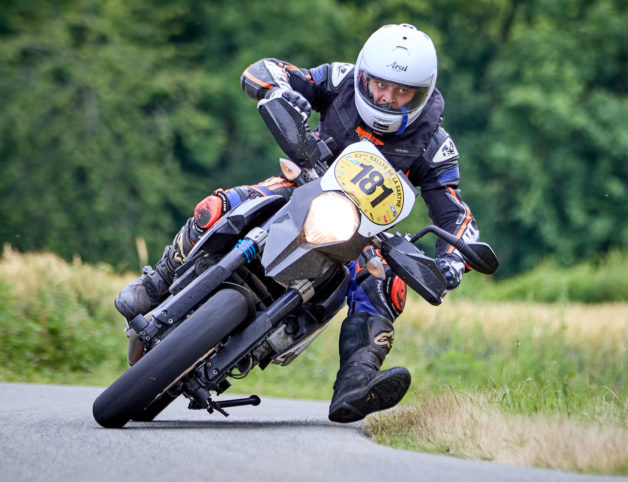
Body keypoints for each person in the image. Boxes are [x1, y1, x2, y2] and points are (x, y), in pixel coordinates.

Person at [115, 23, 480, 423]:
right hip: (300, 183)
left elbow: (455, 213)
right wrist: (278, 90)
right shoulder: (340, 80)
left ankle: (356, 383)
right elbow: (267, 69)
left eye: (402, 91)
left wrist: (452, 258)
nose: (386, 98)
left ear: (421, 93)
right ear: (363, 75)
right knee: (220, 206)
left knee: (385, 282)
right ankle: (155, 285)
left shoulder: (435, 145)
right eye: (379, 84)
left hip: (361, 236)